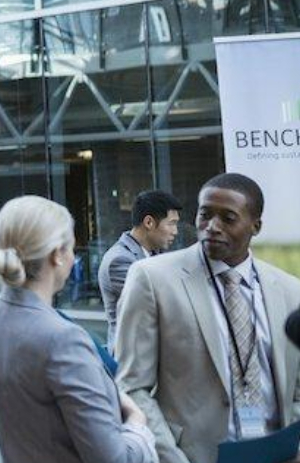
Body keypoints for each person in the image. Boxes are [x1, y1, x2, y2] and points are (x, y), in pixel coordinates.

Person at [116, 173, 300, 463]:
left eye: (228, 218)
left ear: (256, 226)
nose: (212, 227)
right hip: (194, 456)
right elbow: (132, 385)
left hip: (279, 454)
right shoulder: (152, 279)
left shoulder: (291, 290)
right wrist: (171, 457)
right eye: (205, 215)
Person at [0, 195, 157, 463]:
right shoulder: (62, 338)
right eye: (71, 247)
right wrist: (138, 425)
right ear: (57, 255)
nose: (73, 256)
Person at [99, 190, 182, 350]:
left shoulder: (158, 252)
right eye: (171, 223)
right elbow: (157, 306)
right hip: (132, 355)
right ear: (149, 222)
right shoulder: (119, 260)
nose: (175, 231)